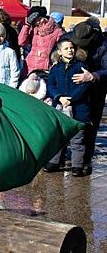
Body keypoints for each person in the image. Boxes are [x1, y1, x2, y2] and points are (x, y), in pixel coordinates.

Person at [43, 39, 91, 177]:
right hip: (60, 106)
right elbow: (50, 85)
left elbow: (85, 86)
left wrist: (71, 99)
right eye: (66, 48)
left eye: (71, 48)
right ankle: (54, 161)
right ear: (59, 52)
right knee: (59, 136)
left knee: (77, 138)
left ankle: (77, 165)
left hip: (78, 109)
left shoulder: (81, 66)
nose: (70, 50)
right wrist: (58, 97)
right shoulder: (56, 68)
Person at [70, 20, 107, 175]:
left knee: (91, 124)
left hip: (96, 88)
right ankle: (64, 159)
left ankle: (85, 160)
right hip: (74, 88)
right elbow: (57, 51)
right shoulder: (72, 35)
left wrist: (93, 76)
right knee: (71, 122)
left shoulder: (104, 45)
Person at [18, 6, 64, 77]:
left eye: (39, 19)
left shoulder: (56, 31)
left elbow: (63, 47)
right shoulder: (33, 29)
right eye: (34, 21)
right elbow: (21, 42)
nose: (37, 22)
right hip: (29, 66)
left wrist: (56, 60)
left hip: (45, 67)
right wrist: (27, 25)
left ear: (44, 17)